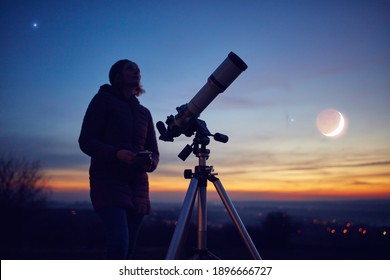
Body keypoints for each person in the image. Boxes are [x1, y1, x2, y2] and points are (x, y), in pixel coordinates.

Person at [79, 59, 159, 259]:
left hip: (138, 186)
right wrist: (116, 154)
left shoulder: (144, 113)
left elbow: (153, 151)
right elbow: (86, 141)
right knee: (118, 247)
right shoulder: (102, 101)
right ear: (117, 75)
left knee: (128, 252)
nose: (136, 72)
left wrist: (150, 163)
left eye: (138, 69)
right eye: (129, 69)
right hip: (108, 182)